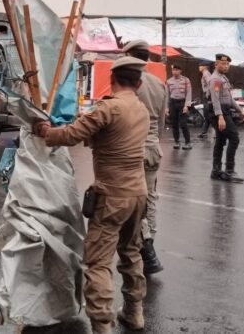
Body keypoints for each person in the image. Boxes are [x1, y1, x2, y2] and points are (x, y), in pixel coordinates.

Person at [33, 56, 150, 334]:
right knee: (131, 252)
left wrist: (45, 132)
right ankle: (134, 313)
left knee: (97, 262)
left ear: (112, 80)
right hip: (139, 194)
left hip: (112, 197)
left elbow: (71, 135)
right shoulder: (141, 108)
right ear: (139, 82)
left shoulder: (108, 108)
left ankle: (102, 326)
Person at [123, 39, 166, 275]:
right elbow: (161, 123)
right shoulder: (160, 84)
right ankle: (149, 246)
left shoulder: (129, 83)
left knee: (132, 200)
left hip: (131, 148)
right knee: (150, 199)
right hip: (152, 147)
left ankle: (146, 246)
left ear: (129, 56)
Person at [208, 54, 244, 183]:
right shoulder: (215, 79)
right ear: (216, 64)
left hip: (224, 110)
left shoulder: (223, 78)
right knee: (234, 138)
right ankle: (229, 171)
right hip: (218, 112)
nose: (226, 66)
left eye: (227, 64)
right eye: (223, 64)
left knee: (221, 140)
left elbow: (229, 98)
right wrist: (220, 117)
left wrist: (241, 111)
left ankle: (216, 171)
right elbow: (215, 99)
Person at [165, 64, 193, 150]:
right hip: (173, 103)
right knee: (174, 124)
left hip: (182, 103)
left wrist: (187, 106)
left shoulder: (185, 80)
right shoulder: (169, 81)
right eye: (173, 70)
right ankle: (177, 142)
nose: (175, 72)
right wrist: (166, 107)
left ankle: (188, 142)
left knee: (183, 124)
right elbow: (167, 95)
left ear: (180, 71)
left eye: (177, 70)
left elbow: (189, 93)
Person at [198, 60, 213, 138]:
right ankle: (204, 132)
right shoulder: (207, 73)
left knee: (208, 115)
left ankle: (218, 133)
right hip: (208, 96)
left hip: (208, 96)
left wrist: (208, 94)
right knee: (207, 116)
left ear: (204, 67)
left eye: (200, 66)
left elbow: (211, 84)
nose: (199, 67)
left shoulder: (205, 74)